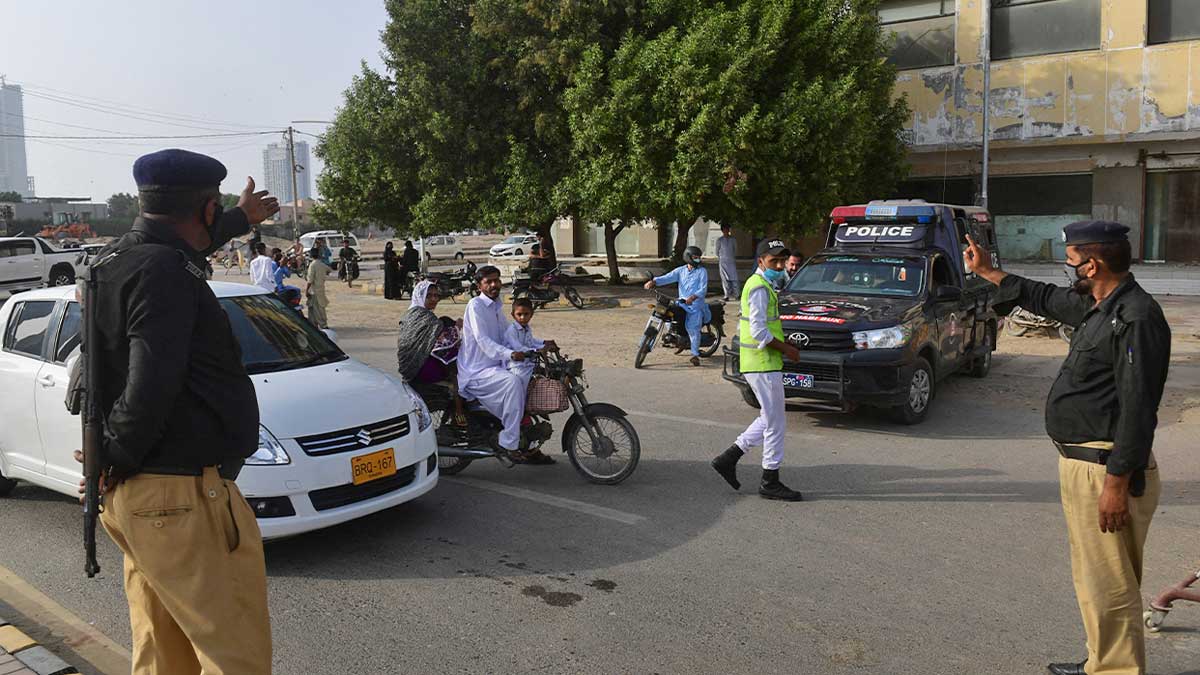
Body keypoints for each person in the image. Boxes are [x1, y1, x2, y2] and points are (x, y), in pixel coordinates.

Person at [83, 149, 278, 674]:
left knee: (162, 655)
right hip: (181, 497)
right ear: (206, 209)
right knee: (233, 657)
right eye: (215, 211)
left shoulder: (116, 258)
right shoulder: (166, 272)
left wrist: (238, 218)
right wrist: (114, 457)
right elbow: (151, 384)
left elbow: (179, 240)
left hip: (145, 498)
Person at [964, 221, 1170, 675]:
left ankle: (1115, 670)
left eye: (1072, 261)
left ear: (1092, 264)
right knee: (1096, 579)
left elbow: (1139, 410)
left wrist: (1116, 484)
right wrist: (989, 272)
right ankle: (1104, 660)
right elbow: (1039, 297)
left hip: (1105, 468)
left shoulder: (1135, 317)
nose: (1069, 269)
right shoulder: (1098, 305)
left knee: (1110, 583)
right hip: (1087, 464)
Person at [710, 238, 804, 501]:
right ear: (761, 260)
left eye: (781, 260)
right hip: (762, 362)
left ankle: (728, 458)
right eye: (773, 260)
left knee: (769, 417)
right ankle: (769, 481)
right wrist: (788, 350)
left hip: (762, 362)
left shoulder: (762, 284)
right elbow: (761, 332)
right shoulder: (759, 287)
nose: (779, 265)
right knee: (776, 422)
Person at [459, 265, 530, 458]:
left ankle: (525, 434)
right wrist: (510, 354)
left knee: (530, 374)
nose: (494, 285)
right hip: (477, 370)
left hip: (495, 366)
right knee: (513, 382)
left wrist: (536, 346)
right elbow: (483, 340)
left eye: (496, 280)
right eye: (488, 281)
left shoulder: (497, 306)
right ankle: (509, 443)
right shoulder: (476, 305)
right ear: (479, 285)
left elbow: (509, 336)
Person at [397, 280, 465, 422]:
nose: (434, 299)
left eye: (436, 296)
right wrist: (458, 327)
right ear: (420, 296)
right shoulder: (424, 317)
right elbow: (444, 342)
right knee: (456, 360)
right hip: (422, 370)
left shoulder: (410, 314)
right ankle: (460, 412)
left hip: (410, 368)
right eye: (429, 296)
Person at [644, 245, 711, 366]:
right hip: (681, 303)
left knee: (693, 329)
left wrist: (693, 297)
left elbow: (703, 289)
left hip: (695, 306)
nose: (698, 260)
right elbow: (667, 277)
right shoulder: (681, 271)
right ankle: (675, 339)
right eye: (695, 257)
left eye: (699, 258)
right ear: (688, 257)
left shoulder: (702, 272)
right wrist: (653, 282)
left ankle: (695, 355)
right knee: (668, 318)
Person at [505, 297, 557, 388]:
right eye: (519, 314)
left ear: (531, 314)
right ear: (513, 315)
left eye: (526, 314)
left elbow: (531, 341)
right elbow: (518, 348)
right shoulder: (512, 330)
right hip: (517, 367)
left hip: (529, 364)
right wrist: (537, 349)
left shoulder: (526, 328)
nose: (523, 317)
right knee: (523, 389)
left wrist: (545, 343)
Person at [306, 245, 332, 329]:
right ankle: (315, 324)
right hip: (321, 289)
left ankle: (322, 325)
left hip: (314, 290)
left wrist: (306, 290)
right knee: (316, 308)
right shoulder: (321, 264)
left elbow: (310, 280)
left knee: (316, 309)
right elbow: (329, 270)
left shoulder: (312, 265)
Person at [716, 223, 739, 301]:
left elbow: (735, 250)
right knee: (724, 279)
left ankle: (737, 294)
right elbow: (717, 251)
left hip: (731, 261)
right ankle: (726, 295)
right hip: (723, 262)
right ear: (722, 231)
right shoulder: (720, 240)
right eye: (725, 230)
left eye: (727, 229)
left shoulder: (733, 239)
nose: (726, 231)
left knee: (734, 278)